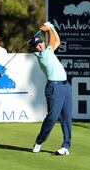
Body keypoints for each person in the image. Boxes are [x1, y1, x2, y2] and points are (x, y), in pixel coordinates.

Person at [30, 22, 72, 156]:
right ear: (35, 49)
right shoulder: (42, 56)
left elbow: (57, 41)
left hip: (65, 87)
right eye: (37, 45)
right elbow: (54, 40)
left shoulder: (49, 51)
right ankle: (39, 142)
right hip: (54, 88)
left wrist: (51, 29)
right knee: (53, 117)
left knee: (67, 117)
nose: (40, 45)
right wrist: (50, 29)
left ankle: (66, 146)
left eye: (41, 43)